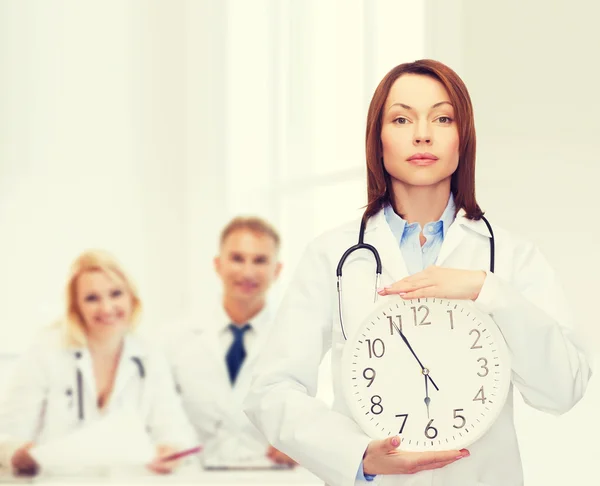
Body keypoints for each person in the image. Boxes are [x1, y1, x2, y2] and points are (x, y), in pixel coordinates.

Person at [243, 59, 592, 485]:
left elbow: (564, 389)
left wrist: (489, 291)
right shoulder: (333, 255)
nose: (422, 133)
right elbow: (271, 389)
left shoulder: (511, 256)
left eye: (442, 118)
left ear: (463, 138)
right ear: (379, 139)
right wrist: (359, 456)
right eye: (402, 118)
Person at [0, 250, 198, 476]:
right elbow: (5, 436)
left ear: (131, 299)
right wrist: (20, 454)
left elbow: (176, 431)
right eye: (91, 298)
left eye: (116, 294)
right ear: (76, 307)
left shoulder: (149, 356)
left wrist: (170, 451)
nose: (106, 308)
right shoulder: (45, 352)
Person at [169, 217, 295, 467]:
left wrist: (303, 446)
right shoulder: (175, 340)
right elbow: (159, 418)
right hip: (195, 477)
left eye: (260, 260)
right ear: (218, 264)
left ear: (277, 270)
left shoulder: (294, 339)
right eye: (237, 258)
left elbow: (315, 419)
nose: (247, 272)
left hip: (271, 477)